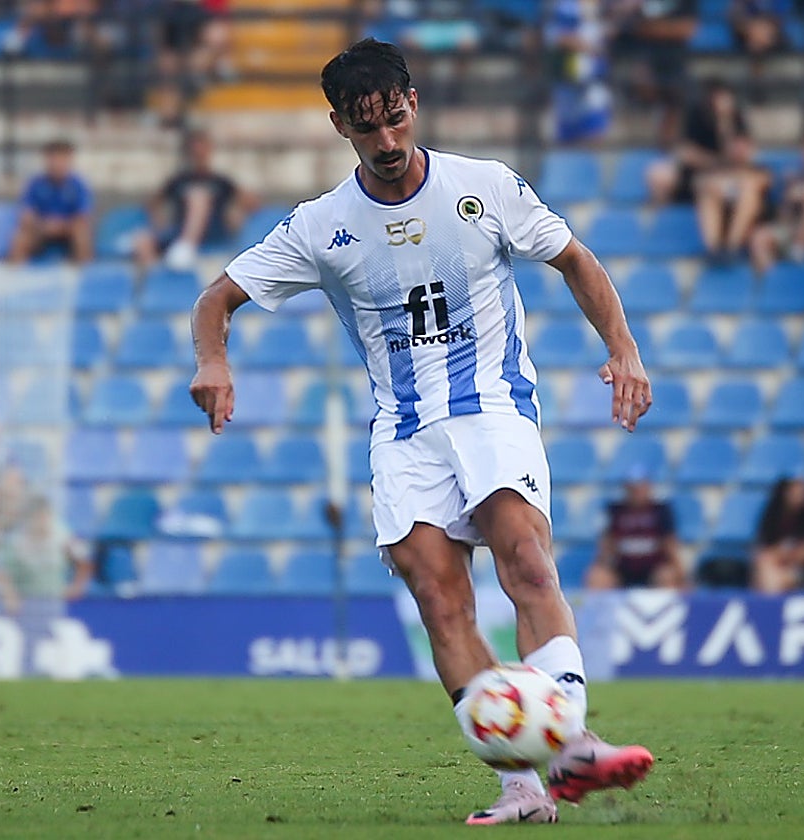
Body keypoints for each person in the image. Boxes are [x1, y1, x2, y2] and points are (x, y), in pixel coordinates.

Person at [189, 38, 654, 826]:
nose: (387, 141)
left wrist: (623, 347)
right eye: (367, 127)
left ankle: (572, 743)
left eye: (395, 119)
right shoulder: (322, 226)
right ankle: (521, 783)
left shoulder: (485, 186)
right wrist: (213, 362)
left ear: (413, 102)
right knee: (441, 602)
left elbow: (575, 259)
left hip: (493, 407)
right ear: (340, 126)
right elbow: (216, 299)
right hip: (404, 432)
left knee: (525, 558)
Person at [132, 129, 257, 271]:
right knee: (142, 241)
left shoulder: (220, 181)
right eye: (195, 151)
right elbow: (153, 202)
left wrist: (236, 218)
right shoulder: (180, 180)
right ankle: (161, 277)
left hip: (213, 235)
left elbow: (250, 202)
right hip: (179, 233)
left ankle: (186, 247)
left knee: (199, 198)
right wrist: (159, 223)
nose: (199, 155)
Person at [0, 496, 93, 675]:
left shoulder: (63, 536)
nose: (42, 521)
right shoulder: (17, 541)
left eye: (46, 516)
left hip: (52, 601)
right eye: (38, 516)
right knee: (28, 649)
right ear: (30, 518)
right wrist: (10, 594)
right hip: (26, 602)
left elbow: (84, 562)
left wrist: (77, 587)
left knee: (52, 646)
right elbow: (1, 571)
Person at [647, 77, 749, 206]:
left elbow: (738, 156)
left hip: (724, 176)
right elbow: (686, 152)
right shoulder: (696, 113)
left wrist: (725, 122)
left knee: (724, 186)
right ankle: (660, 215)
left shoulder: (735, 117)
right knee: (658, 173)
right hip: (694, 174)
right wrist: (713, 161)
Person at [611, 0, 698, 148]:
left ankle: (667, 144)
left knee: (679, 97)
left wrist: (647, 28)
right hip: (637, 60)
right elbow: (619, 24)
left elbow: (687, 29)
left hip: (673, 63)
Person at [749, 131, 804, 273]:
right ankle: (775, 279)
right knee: (759, 237)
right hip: (794, 224)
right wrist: (791, 196)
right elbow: (785, 209)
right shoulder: (796, 175)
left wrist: (802, 193)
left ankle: (800, 248)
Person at [587, 470, 685, 590]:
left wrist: (679, 569)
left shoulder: (660, 511)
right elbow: (607, 543)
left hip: (654, 567)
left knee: (668, 576)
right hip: (622, 567)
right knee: (598, 577)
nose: (637, 492)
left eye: (641, 487)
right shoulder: (615, 510)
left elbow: (669, 543)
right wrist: (601, 564)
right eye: (633, 488)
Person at [9, 139, 94, 264]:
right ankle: (15, 272)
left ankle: (83, 271)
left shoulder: (79, 185)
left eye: (62, 159)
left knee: (82, 234)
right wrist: (43, 225)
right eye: (54, 159)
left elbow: (82, 217)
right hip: (41, 230)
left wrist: (61, 226)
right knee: (21, 236)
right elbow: (27, 214)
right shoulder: (35, 184)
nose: (58, 164)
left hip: (68, 232)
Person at [694, 132, 773, 260]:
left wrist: (733, 183)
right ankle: (712, 249)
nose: (738, 150)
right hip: (724, 219)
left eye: (743, 146)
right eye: (735, 146)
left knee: (749, 191)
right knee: (708, 194)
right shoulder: (718, 170)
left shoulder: (760, 169)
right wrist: (721, 187)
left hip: (753, 225)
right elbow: (699, 183)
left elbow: (763, 182)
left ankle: (732, 247)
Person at [546, 0, 613, 145]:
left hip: (595, 80)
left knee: (596, 134)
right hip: (569, 80)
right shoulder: (566, 6)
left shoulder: (603, 5)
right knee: (569, 138)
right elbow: (558, 36)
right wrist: (589, 47)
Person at [752, 477, 804, 594]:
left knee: (774, 580)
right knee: (766, 568)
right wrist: (780, 554)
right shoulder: (772, 516)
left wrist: (787, 555)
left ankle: (770, 600)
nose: (802, 496)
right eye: (797, 492)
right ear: (786, 492)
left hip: (798, 570)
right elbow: (764, 551)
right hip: (774, 567)